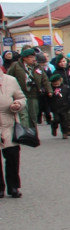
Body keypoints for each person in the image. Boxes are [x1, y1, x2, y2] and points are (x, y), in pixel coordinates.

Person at [7, 47, 51, 134]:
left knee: (33, 115)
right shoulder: (16, 66)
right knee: (24, 115)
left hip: (33, 94)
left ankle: (33, 133)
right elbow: (9, 77)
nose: (33, 59)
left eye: (34, 57)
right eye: (31, 57)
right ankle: (25, 133)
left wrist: (49, 90)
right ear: (25, 58)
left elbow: (45, 79)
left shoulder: (37, 67)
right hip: (20, 94)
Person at [0, 70, 26, 198]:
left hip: (9, 123)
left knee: (12, 156)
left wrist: (18, 104)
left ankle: (13, 186)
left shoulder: (10, 80)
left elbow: (21, 97)